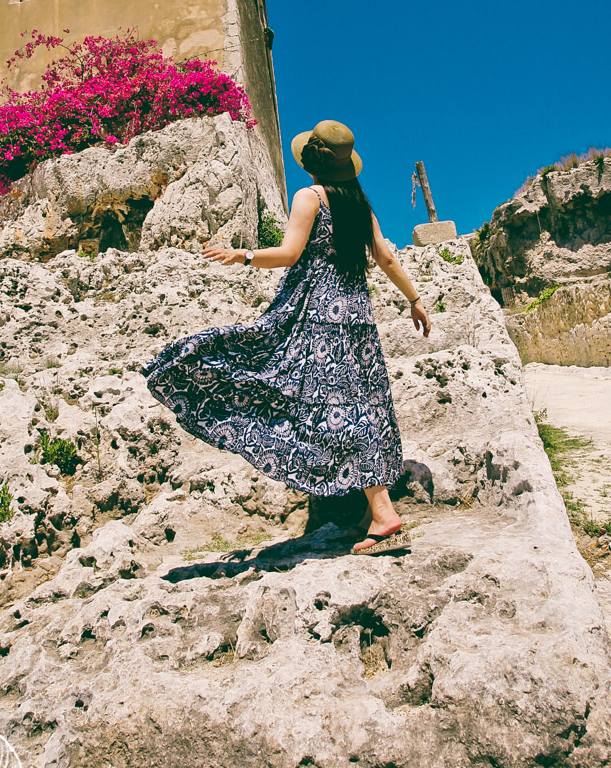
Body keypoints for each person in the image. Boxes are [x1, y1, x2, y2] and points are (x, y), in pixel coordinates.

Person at [140, 119, 431, 553]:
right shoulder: (358, 203)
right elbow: (386, 256)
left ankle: (383, 513)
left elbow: (290, 253)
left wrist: (244, 254)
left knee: (283, 379)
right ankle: (373, 510)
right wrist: (414, 299)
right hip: (358, 319)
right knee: (362, 405)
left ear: (310, 164)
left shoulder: (309, 197)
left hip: (316, 316)